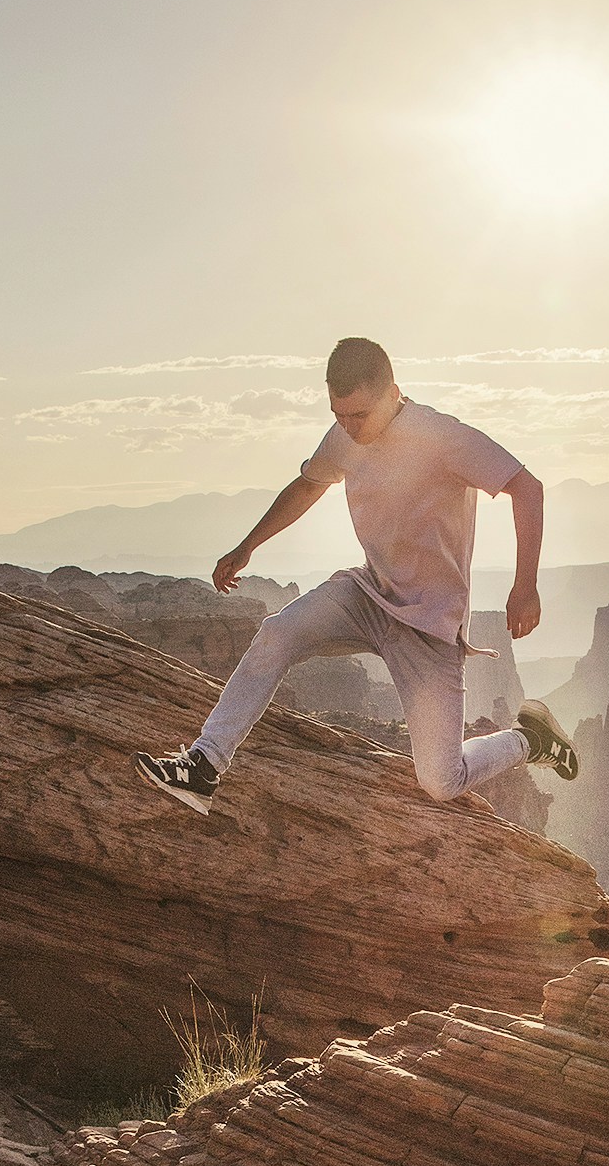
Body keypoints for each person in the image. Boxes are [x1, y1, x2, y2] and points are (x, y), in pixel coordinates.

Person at [135, 336, 579, 816]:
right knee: (277, 632)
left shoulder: (440, 436)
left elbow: (526, 487)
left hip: (428, 623)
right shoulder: (345, 435)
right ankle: (204, 765)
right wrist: (247, 546)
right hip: (368, 592)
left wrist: (525, 584)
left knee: (440, 779)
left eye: (358, 416)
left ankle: (530, 740)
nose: (347, 427)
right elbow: (309, 483)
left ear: (392, 394)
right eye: (337, 415)